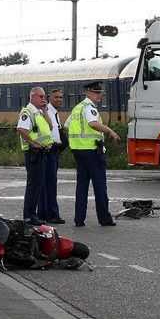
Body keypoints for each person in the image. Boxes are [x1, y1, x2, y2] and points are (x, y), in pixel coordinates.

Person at [67, 81, 121, 227]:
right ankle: (104, 218)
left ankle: (79, 219)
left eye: (100, 93)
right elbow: (92, 123)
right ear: (89, 93)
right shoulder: (90, 108)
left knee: (82, 186)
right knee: (99, 185)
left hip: (78, 152)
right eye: (97, 93)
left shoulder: (77, 108)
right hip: (92, 151)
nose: (99, 96)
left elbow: (67, 126)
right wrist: (110, 131)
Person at [16, 87, 53, 226]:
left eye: (45, 97)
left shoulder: (38, 112)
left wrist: (45, 111)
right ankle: (29, 215)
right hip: (34, 153)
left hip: (41, 153)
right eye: (41, 96)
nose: (44, 99)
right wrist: (33, 143)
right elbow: (21, 129)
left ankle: (32, 214)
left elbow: (50, 127)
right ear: (32, 97)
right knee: (33, 185)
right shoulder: (28, 112)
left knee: (37, 185)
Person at [38, 88, 65, 224]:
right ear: (49, 98)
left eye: (60, 97)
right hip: (49, 151)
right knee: (50, 184)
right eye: (56, 97)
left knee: (47, 183)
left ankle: (43, 213)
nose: (59, 100)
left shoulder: (55, 113)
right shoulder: (46, 112)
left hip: (55, 151)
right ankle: (52, 214)